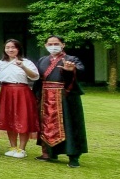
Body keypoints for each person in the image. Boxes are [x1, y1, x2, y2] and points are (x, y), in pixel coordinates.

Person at [34, 36, 88, 168]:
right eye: (50, 44)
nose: (53, 46)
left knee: (69, 125)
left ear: (63, 45)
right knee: (46, 124)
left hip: (65, 97)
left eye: (56, 43)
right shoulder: (42, 60)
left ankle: (73, 157)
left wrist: (71, 70)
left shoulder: (71, 59)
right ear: (45, 45)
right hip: (46, 96)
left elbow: (81, 71)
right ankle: (49, 153)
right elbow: (37, 78)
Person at [0, 39, 40, 158]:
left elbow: (35, 76)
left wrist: (23, 67)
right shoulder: (0, 63)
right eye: (7, 47)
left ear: (18, 49)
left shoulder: (26, 62)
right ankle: (13, 146)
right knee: (9, 119)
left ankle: (22, 149)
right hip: (6, 91)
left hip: (22, 91)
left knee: (23, 118)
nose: (10, 50)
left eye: (13, 47)